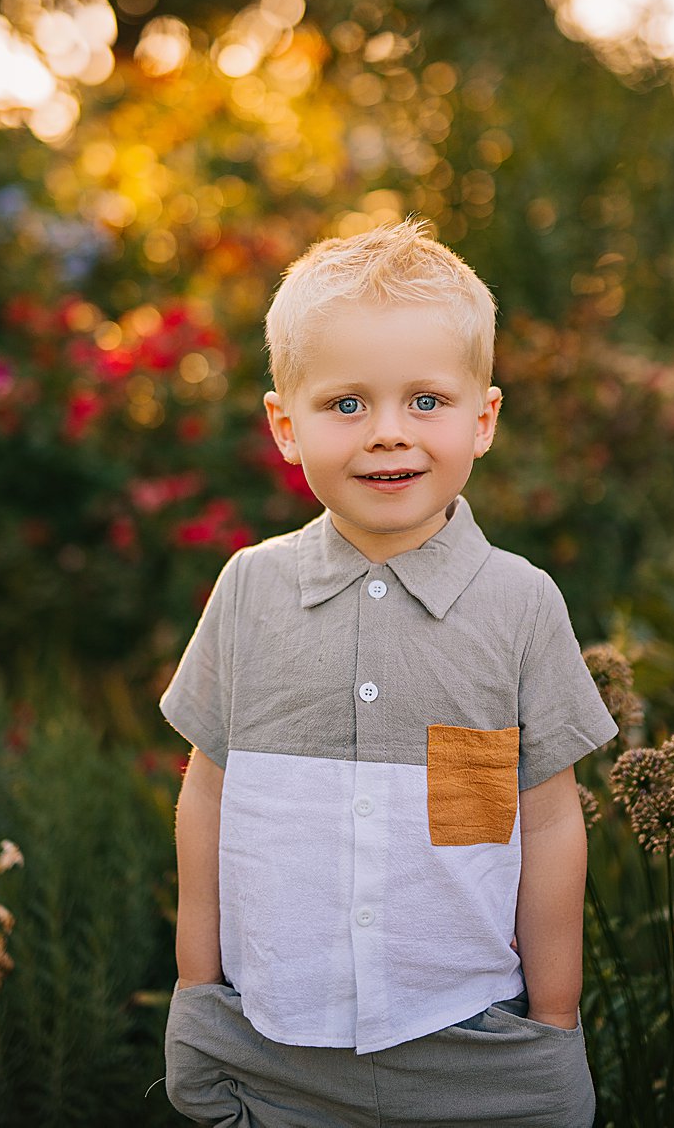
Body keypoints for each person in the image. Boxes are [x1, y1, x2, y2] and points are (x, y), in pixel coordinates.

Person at [160, 218, 617, 1125]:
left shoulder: (519, 604)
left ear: (481, 419)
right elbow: (206, 792)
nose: (386, 434)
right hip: (273, 1039)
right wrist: (197, 982)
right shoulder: (251, 589)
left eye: (424, 401)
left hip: (467, 1036)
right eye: (346, 405)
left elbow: (550, 815)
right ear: (287, 427)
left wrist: (555, 1018)